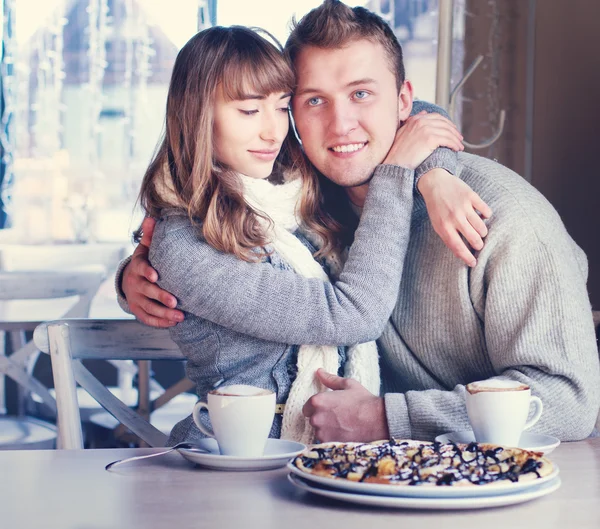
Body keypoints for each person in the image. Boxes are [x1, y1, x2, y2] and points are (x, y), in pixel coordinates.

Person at [120, 1, 600, 443]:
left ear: (402, 101)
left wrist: (386, 418)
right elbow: (207, 226)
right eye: (311, 101)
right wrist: (138, 277)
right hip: (333, 474)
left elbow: (569, 404)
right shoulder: (304, 198)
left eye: (362, 94)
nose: (340, 125)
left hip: (489, 491)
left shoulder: (510, 218)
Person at [129, 23, 479, 446]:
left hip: (328, 458)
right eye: (248, 110)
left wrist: (435, 174)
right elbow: (353, 316)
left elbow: (412, 112)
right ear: (196, 116)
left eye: (281, 107)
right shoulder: (184, 246)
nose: (272, 132)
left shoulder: (292, 190)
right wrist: (396, 175)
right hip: (239, 462)